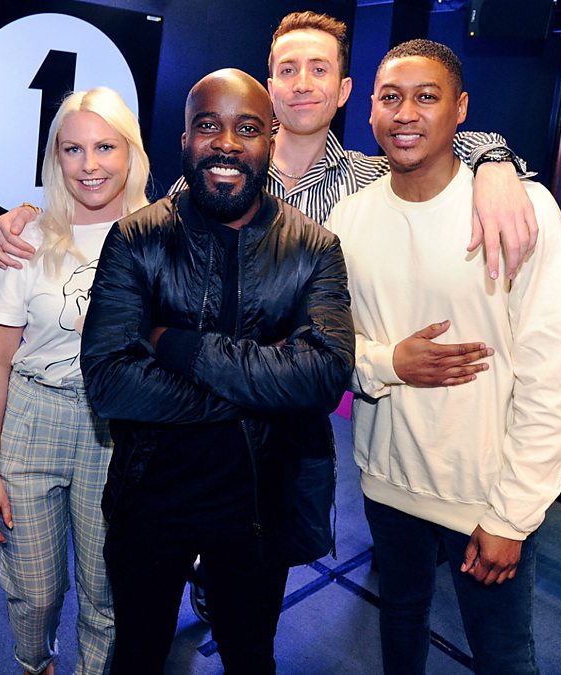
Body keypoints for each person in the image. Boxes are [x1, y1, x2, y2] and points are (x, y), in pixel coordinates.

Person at [78, 68, 354, 674]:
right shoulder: (136, 240)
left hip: (259, 507)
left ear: (270, 141)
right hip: (151, 500)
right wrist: (265, 385)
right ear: (184, 140)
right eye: (209, 126)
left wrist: (180, 348)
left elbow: (324, 375)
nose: (227, 143)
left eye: (247, 129)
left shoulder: (314, 248)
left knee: (251, 659)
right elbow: (109, 381)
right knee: (137, 656)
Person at [325, 40, 561, 674]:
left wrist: (513, 515)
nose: (406, 113)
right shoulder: (347, 219)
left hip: (484, 496)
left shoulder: (523, 211)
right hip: (386, 482)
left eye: (426, 97)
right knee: (399, 622)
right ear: (371, 109)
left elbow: (548, 378)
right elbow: (327, 346)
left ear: (460, 109)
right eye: (391, 98)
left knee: (503, 655)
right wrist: (388, 362)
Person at [0, 11, 539, 282]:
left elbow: (432, 148)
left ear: (345, 91)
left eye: (319, 69)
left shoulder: (372, 181)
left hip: (314, 409)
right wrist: (35, 215)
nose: (303, 84)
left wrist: (494, 160)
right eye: (289, 70)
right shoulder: (218, 175)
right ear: (269, 89)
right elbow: (136, 223)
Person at [0, 87, 150, 675]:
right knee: (35, 590)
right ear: (56, 157)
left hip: (118, 427)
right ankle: (34, 664)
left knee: (106, 591)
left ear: (131, 151)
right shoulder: (26, 239)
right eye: (73, 149)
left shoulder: (161, 234)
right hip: (34, 418)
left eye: (105, 147)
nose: (89, 164)